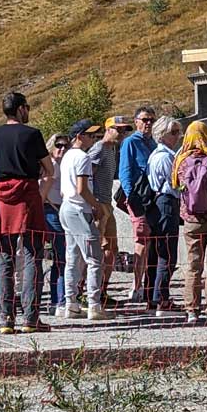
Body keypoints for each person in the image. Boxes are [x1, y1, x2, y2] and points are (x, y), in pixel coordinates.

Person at [0, 92, 52, 334]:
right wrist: (42, 195)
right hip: (28, 196)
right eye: (27, 107)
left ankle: (6, 319)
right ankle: (31, 318)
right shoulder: (32, 134)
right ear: (21, 109)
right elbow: (48, 168)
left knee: (5, 257)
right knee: (32, 255)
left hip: (4, 198)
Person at [174, 120, 207, 325]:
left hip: (191, 219)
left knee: (193, 265)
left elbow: (176, 185)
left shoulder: (181, 160)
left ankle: (191, 311)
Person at [59, 119, 113, 321]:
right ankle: (94, 304)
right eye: (90, 135)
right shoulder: (82, 157)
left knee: (72, 258)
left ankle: (70, 302)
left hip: (67, 208)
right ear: (79, 136)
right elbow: (82, 189)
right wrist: (97, 206)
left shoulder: (67, 156)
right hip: (79, 209)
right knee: (94, 259)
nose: (93, 138)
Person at [118, 106, 158, 304]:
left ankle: (147, 284)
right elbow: (125, 171)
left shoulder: (152, 143)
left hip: (152, 198)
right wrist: (130, 198)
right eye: (144, 119)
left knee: (149, 242)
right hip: (138, 198)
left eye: (151, 119)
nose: (148, 123)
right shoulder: (130, 143)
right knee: (141, 242)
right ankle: (136, 285)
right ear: (136, 121)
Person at [146, 116, 183, 314]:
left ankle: (154, 297)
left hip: (159, 203)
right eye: (174, 132)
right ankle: (162, 299)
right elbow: (175, 183)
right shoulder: (166, 157)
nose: (177, 136)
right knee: (167, 253)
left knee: (159, 252)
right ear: (163, 134)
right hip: (166, 203)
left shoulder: (156, 155)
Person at [91, 116, 130, 302]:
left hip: (107, 203)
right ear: (108, 129)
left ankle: (103, 289)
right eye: (119, 130)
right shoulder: (98, 149)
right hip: (98, 203)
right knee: (96, 248)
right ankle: (90, 290)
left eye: (124, 131)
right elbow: (87, 174)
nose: (122, 134)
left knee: (111, 248)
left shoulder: (112, 149)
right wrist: (92, 203)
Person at [42, 133, 69, 314]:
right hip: (52, 210)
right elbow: (42, 191)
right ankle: (59, 300)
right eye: (58, 145)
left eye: (65, 146)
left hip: (59, 210)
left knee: (61, 258)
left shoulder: (61, 164)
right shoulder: (51, 166)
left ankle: (59, 299)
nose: (62, 149)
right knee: (62, 258)